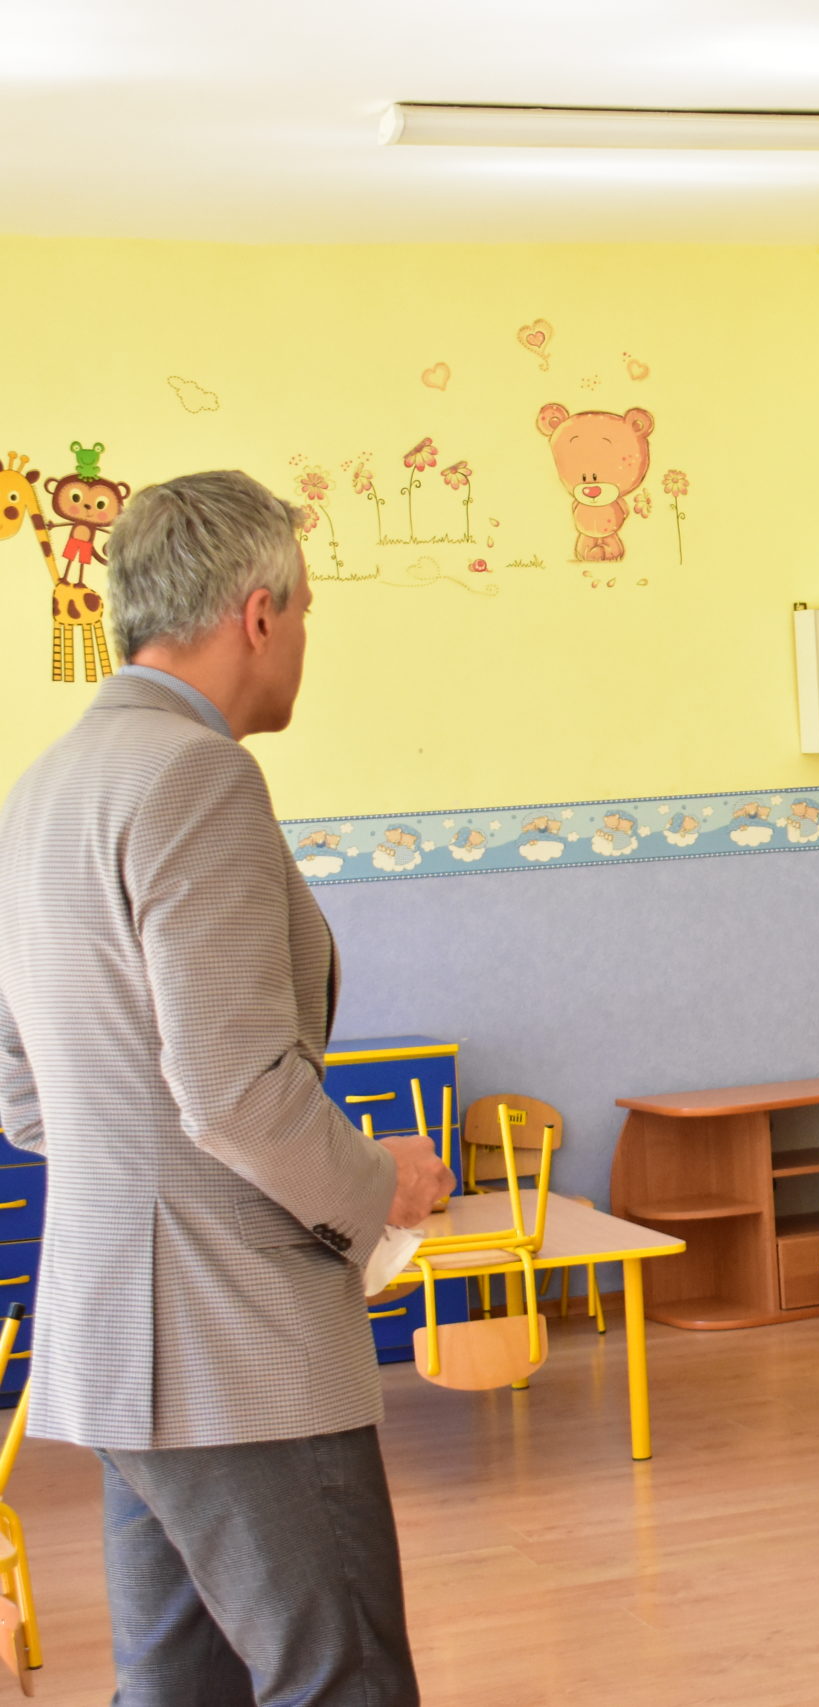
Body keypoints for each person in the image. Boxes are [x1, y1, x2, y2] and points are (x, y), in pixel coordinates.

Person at [0, 470, 451, 1704]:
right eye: (304, 613)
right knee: (343, 1677)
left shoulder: (40, 792)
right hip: (233, 1344)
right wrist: (376, 1181)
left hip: (114, 1335)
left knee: (177, 1687)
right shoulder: (196, 777)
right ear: (260, 614)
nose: (303, 641)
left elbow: (25, 1096)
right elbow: (235, 1089)